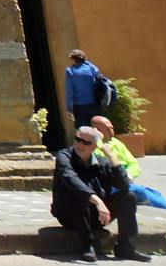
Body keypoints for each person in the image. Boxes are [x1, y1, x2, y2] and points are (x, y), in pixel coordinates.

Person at [51, 125, 149, 262]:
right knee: (78, 195)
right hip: (70, 214)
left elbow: (124, 186)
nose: (80, 144)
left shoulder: (102, 162)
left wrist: (111, 155)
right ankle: (86, 245)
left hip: (98, 216)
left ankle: (126, 247)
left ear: (95, 146)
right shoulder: (64, 156)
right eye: (78, 139)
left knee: (128, 197)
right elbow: (70, 178)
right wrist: (96, 200)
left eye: (86, 142)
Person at [65, 49, 108, 130]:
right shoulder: (92, 68)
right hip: (94, 104)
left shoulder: (70, 71)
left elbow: (69, 91)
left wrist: (69, 108)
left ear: (73, 59)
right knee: (96, 129)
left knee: (83, 132)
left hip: (79, 107)